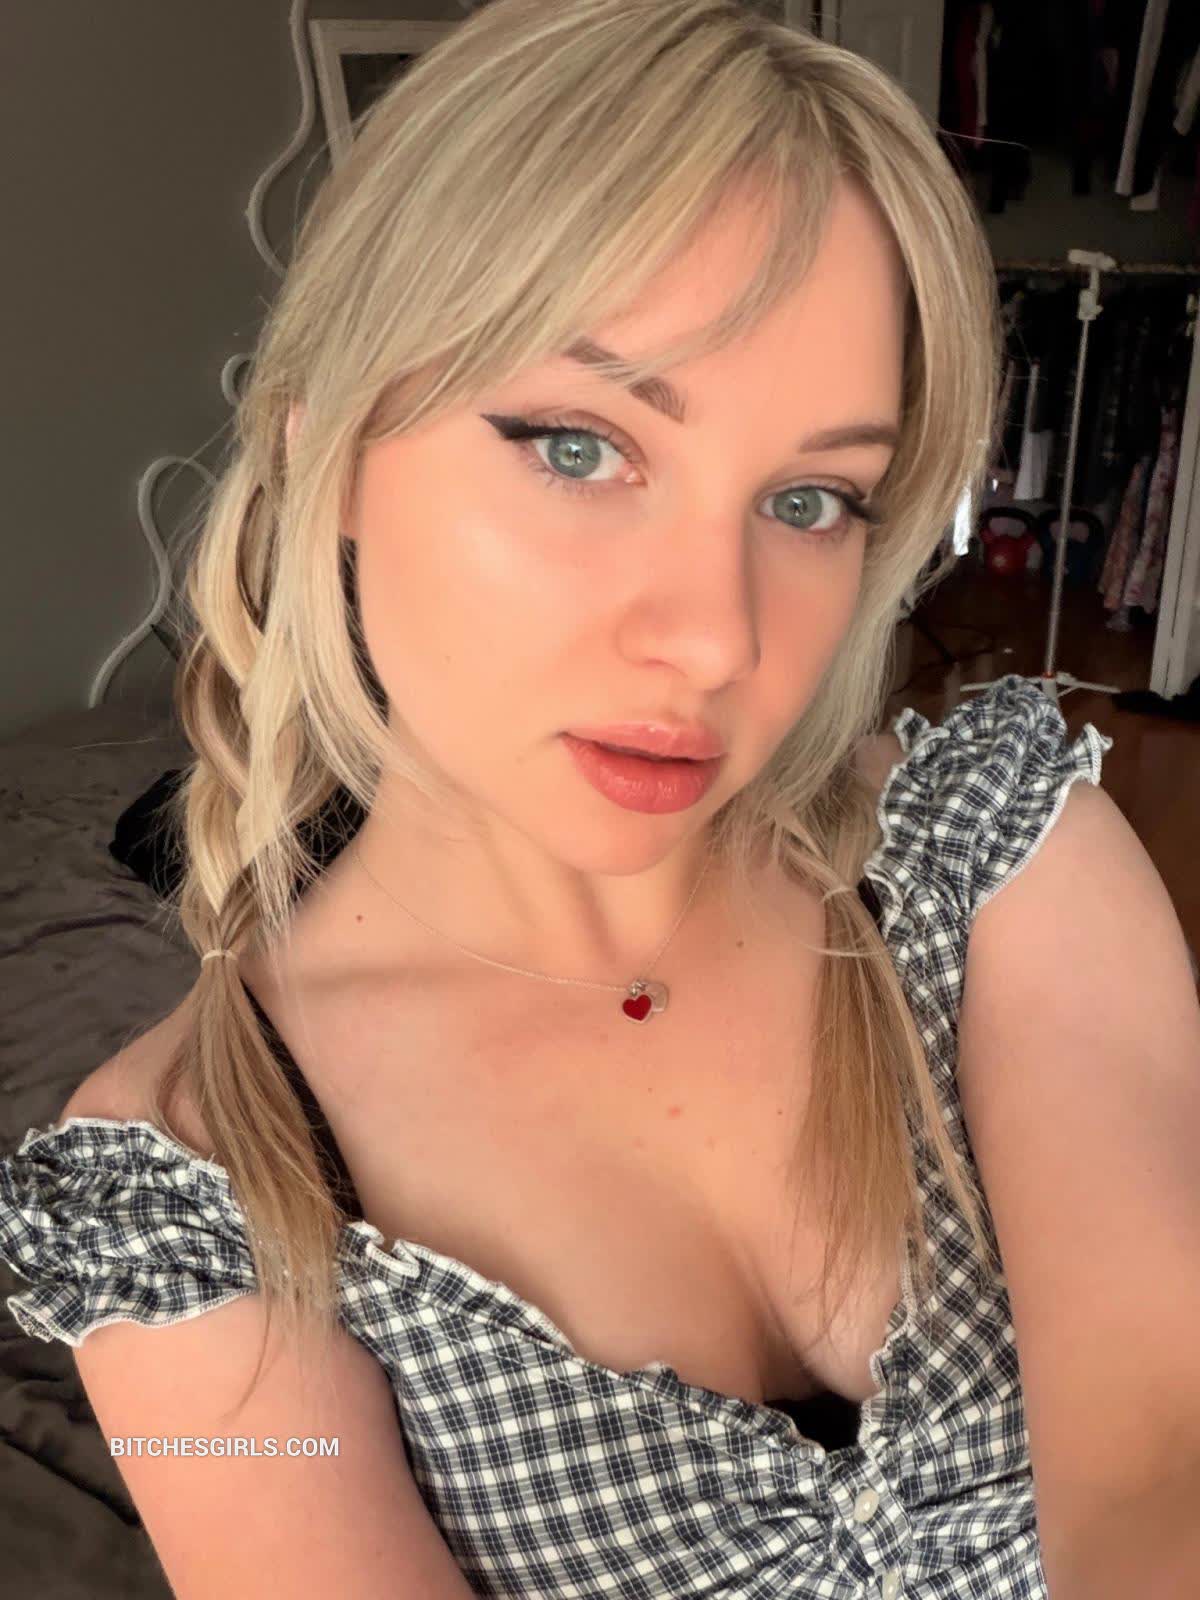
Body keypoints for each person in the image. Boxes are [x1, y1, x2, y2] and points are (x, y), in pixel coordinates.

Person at [5, 2, 1169, 1596]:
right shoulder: (192, 1189)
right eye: (576, 447)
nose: (715, 638)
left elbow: (1165, 1454)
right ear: (327, 454)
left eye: (812, 498)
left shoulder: (994, 853)